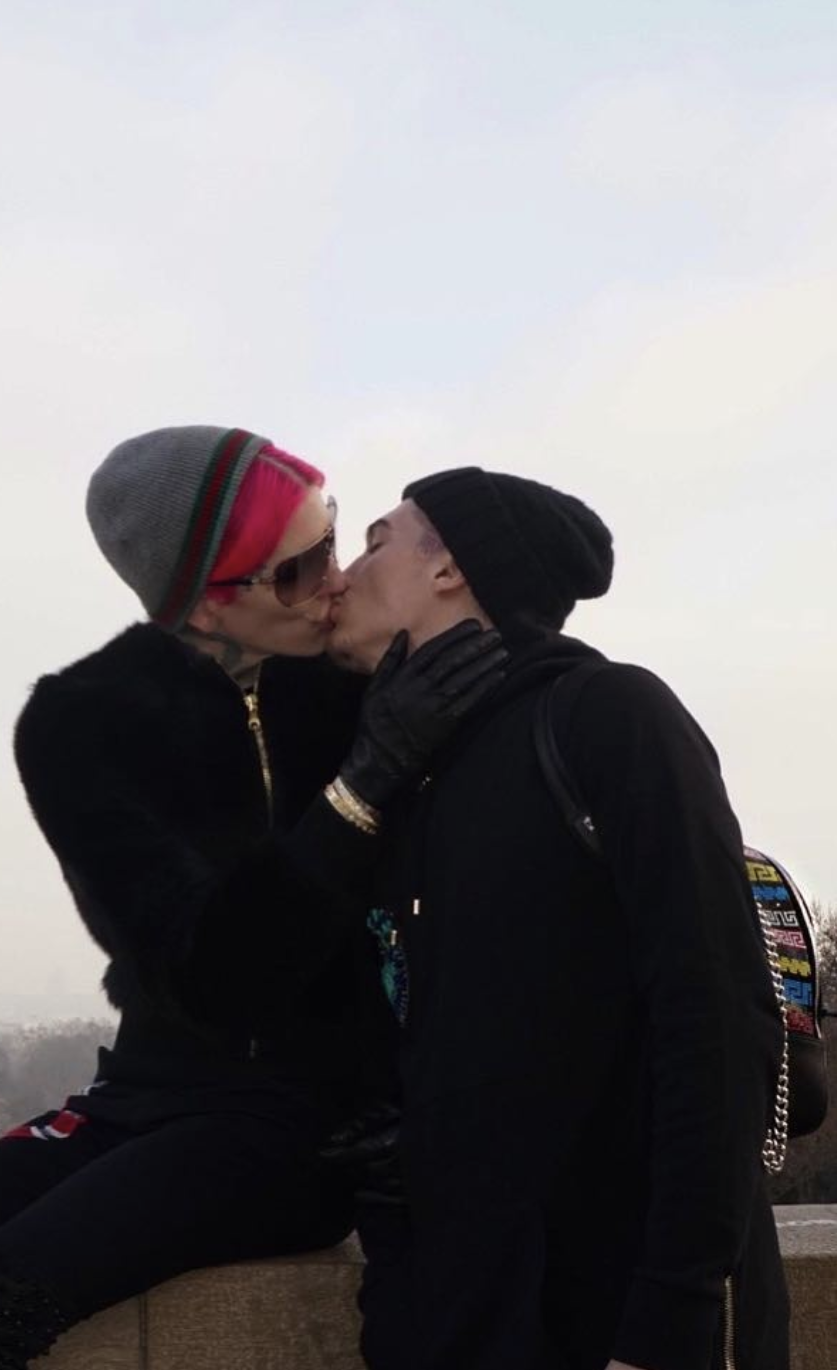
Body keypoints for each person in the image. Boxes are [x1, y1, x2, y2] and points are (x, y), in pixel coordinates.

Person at [0, 425, 504, 1370]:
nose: (334, 580)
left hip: (300, 1127)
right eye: (296, 570)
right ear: (205, 605)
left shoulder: (363, 679)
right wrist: (358, 790)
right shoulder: (80, 722)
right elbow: (214, 974)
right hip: (151, 1089)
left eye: (332, 538)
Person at [327, 467, 789, 1370]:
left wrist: (671, 1314)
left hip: (617, 1314)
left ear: (448, 567)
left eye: (377, 539)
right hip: (463, 1315)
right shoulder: (407, 772)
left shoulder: (608, 717)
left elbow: (720, 1018)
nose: (343, 573)